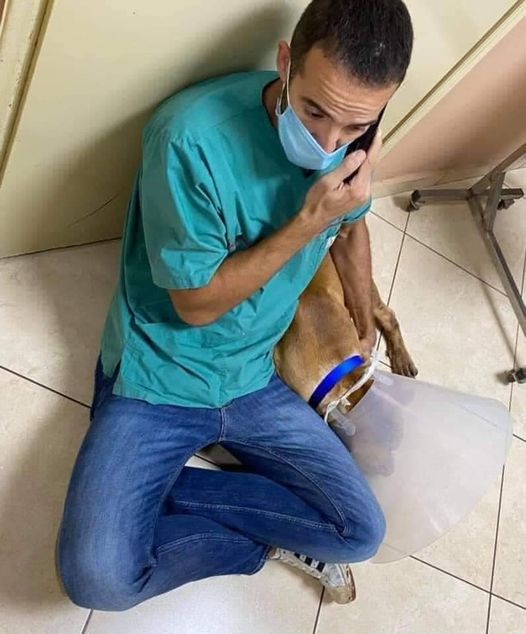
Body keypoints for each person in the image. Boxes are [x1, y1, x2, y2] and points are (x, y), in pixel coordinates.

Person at [57, 0, 413, 608]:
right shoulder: (189, 139)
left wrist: (363, 319)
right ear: (286, 63)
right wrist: (307, 222)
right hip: (160, 371)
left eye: (355, 125)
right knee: (98, 578)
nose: (329, 142)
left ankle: (155, 496)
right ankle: (260, 543)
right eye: (314, 111)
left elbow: (352, 226)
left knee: (361, 534)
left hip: (253, 377)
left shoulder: (354, 139)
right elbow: (196, 307)